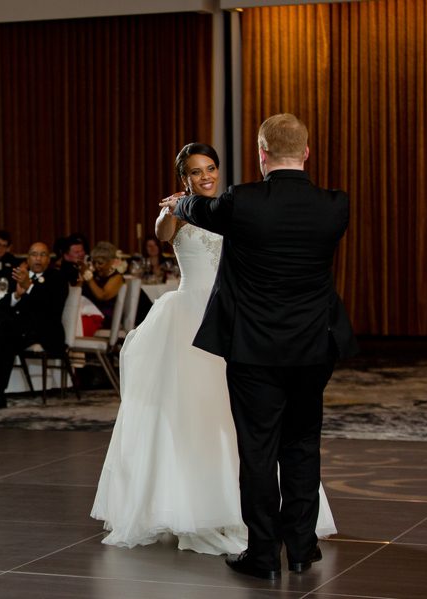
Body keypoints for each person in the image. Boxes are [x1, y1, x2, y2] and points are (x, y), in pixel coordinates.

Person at [92, 141, 338, 565]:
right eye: (195, 171)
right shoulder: (178, 211)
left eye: (210, 168)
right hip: (189, 320)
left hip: (235, 319)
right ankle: (196, 506)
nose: (205, 176)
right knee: (193, 417)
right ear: (183, 177)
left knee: (238, 422)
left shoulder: (234, 205)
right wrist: (175, 208)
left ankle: (248, 515)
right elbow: (163, 234)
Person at [162, 118, 358, 580]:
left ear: (261, 154)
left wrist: (180, 200)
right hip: (313, 346)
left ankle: (264, 554)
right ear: (307, 153)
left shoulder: (242, 201)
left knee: (257, 452)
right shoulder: (336, 205)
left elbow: (196, 209)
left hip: (253, 349)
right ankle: (303, 548)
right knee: (303, 446)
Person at [0, 242, 68, 410]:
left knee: (7, 337)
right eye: (34, 254)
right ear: (28, 258)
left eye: (43, 254)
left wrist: (29, 287)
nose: (38, 258)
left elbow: (51, 309)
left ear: (48, 259)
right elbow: (2, 308)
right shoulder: (19, 275)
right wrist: (16, 295)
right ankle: (4, 330)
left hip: (43, 330)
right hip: (17, 328)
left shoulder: (58, 278)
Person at [79, 241, 125, 328]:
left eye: (100, 263)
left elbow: (102, 296)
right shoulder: (94, 275)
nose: (96, 266)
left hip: (105, 317)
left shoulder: (117, 277)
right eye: (94, 262)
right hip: (88, 312)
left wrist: (88, 277)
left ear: (111, 262)